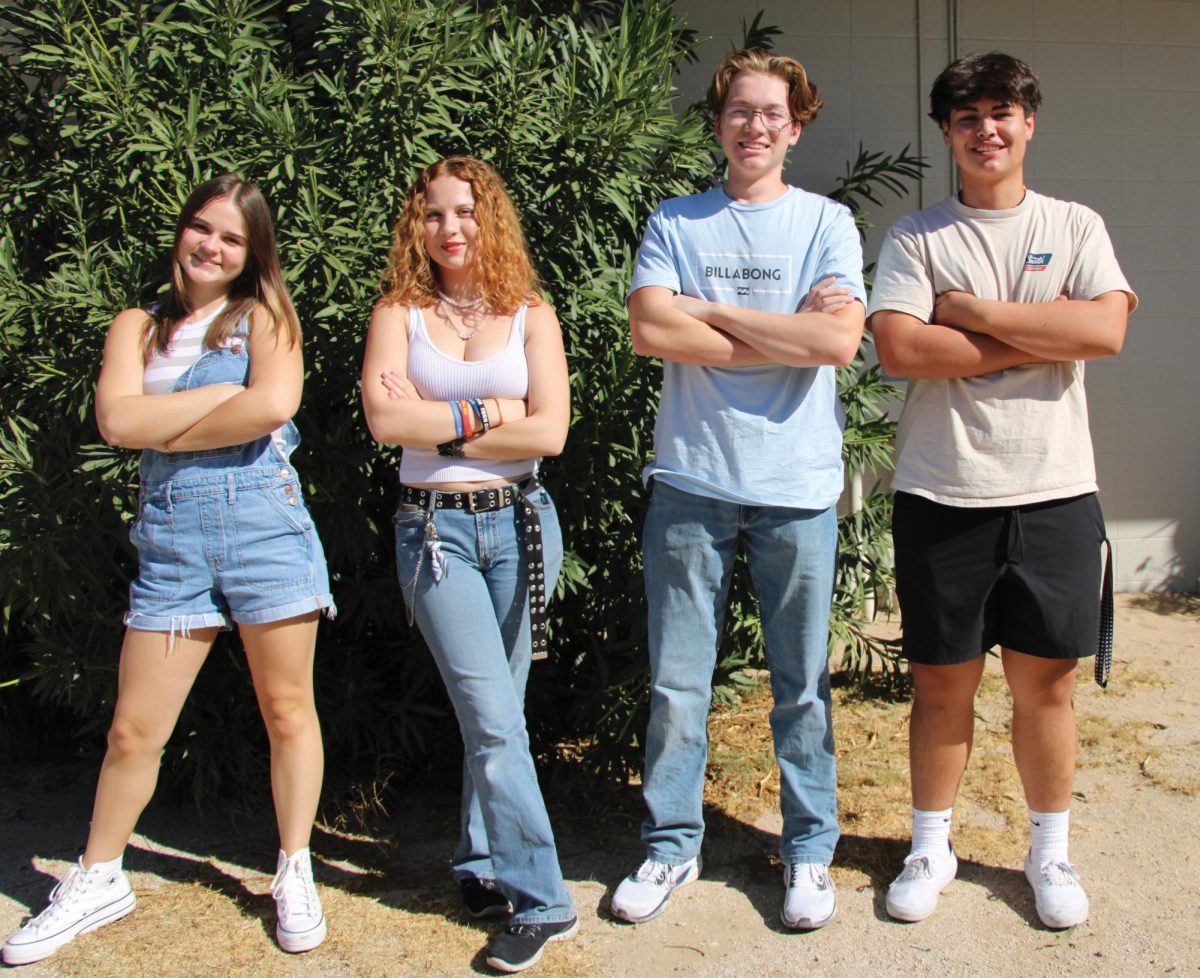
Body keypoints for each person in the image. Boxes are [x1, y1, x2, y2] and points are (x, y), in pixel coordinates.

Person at [2, 175, 336, 966]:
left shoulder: (265, 317)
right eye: (201, 229)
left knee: (288, 708)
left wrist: (169, 425)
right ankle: (99, 875)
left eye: (231, 238)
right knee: (132, 729)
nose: (211, 247)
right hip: (172, 543)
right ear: (181, 232)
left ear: (252, 253)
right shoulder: (135, 328)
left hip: (266, 531)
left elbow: (271, 407)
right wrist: (221, 399)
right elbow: (117, 420)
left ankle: (295, 867)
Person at [868, 52, 1135, 930]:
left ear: (1029, 123)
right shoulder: (918, 238)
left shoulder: (1076, 223)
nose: (987, 128)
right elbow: (904, 352)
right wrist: (1047, 331)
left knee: (1046, 685)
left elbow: (1104, 327)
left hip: (1055, 490)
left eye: (1003, 111)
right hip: (943, 493)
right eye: (968, 116)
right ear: (947, 133)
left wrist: (975, 316)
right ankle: (928, 843)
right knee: (942, 684)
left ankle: (1048, 852)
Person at [611, 49, 866, 931]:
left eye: (773, 113)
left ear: (796, 127)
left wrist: (710, 313)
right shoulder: (677, 220)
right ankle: (670, 846)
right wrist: (786, 330)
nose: (756, 126)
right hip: (693, 477)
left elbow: (838, 345)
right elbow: (650, 327)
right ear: (719, 122)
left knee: (801, 683)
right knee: (679, 682)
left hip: (796, 483)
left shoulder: (827, 222)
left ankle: (807, 852)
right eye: (741, 111)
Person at [361, 156, 574, 973]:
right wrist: (494, 410)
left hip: (521, 523)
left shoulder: (530, 313)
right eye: (433, 213)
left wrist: (435, 418)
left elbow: (550, 432)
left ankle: (481, 863)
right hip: (436, 537)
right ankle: (545, 900)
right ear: (416, 226)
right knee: (492, 718)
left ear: (491, 220)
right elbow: (385, 420)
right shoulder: (399, 313)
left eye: (465, 211)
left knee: (500, 714)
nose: (450, 228)